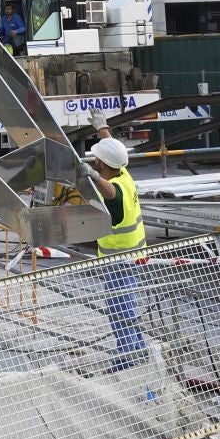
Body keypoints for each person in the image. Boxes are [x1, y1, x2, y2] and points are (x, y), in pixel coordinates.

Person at [77, 107, 148, 372]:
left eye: (97, 160)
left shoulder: (114, 190)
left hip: (120, 262)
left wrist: (93, 177)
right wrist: (102, 128)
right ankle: (138, 351)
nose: (95, 161)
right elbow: (113, 152)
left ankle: (127, 361)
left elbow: (108, 191)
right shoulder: (124, 173)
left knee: (121, 313)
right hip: (133, 257)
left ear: (100, 165)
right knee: (126, 309)